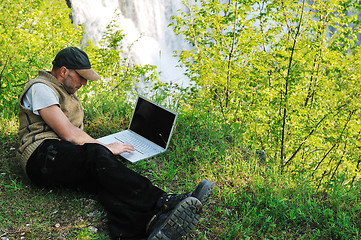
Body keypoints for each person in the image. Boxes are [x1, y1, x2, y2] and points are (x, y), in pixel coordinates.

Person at [17, 47, 215, 240]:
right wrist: (104, 148)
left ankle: (148, 225)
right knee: (97, 156)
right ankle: (163, 200)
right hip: (41, 157)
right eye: (82, 77)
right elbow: (68, 134)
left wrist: (101, 151)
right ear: (63, 71)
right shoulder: (41, 88)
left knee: (106, 180)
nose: (85, 83)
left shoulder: (63, 90)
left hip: (60, 157)